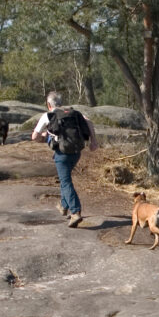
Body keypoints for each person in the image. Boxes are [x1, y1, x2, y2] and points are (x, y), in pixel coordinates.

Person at [31, 91, 98, 227]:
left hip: (62, 153)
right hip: (76, 152)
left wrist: (44, 138)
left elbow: (34, 136)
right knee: (65, 178)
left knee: (66, 181)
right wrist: (93, 141)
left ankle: (75, 212)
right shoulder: (73, 112)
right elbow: (89, 122)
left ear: (49, 104)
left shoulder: (48, 115)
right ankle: (63, 205)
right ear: (61, 103)